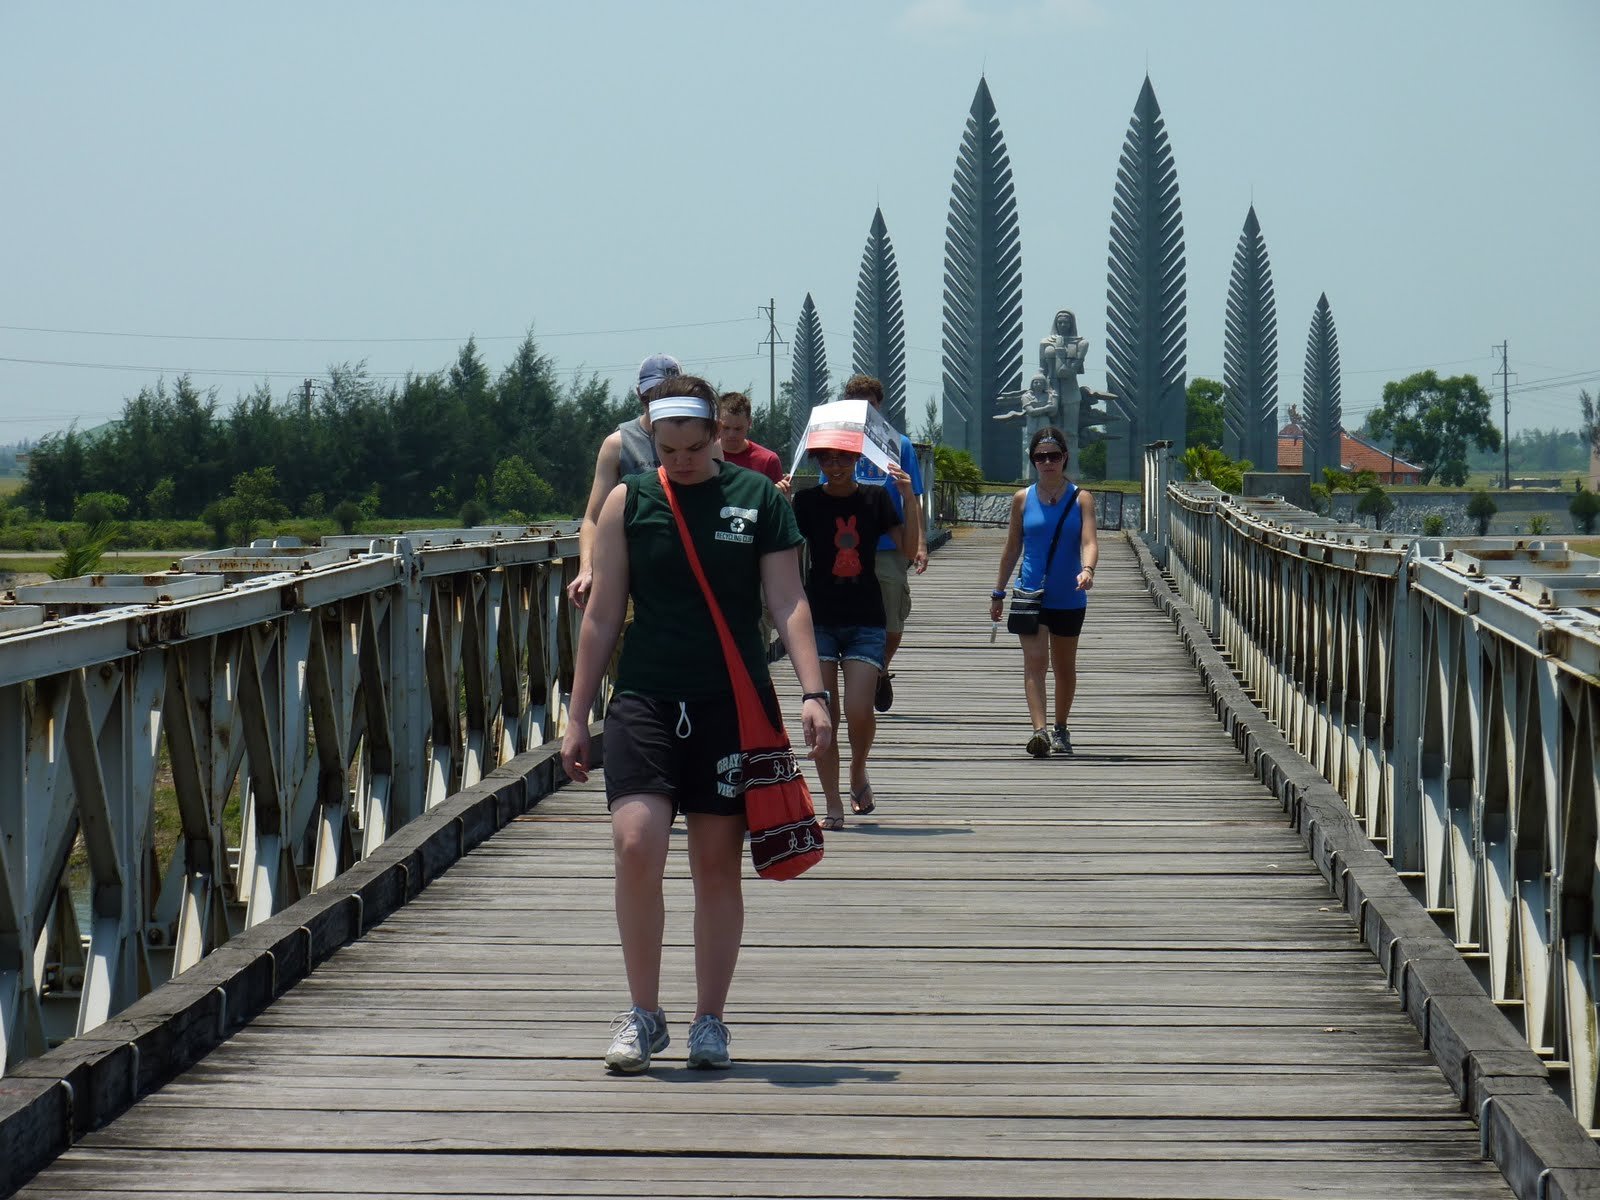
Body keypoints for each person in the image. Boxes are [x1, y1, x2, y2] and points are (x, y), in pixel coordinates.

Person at [560, 374, 833, 1075]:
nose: (679, 461)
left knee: (715, 864)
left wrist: (813, 690)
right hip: (647, 696)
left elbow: (787, 598)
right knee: (635, 842)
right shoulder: (633, 500)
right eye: (666, 447)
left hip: (728, 702)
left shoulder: (759, 503)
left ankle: (709, 1018)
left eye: (691, 446)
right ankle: (643, 1013)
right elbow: (601, 614)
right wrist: (577, 713)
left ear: (717, 434)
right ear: (651, 436)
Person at [790, 439, 911, 828]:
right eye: (828, 459)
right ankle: (832, 803)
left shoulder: (876, 499)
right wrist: (778, 501)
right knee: (824, 714)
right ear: (818, 461)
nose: (836, 466)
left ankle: (858, 771)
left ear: (858, 459)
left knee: (859, 709)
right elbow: (786, 552)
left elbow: (907, 549)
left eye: (844, 458)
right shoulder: (806, 502)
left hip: (865, 618)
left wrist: (908, 496)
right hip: (819, 618)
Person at [988, 425, 1098, 758]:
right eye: (1040, 457)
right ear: (1033, 461)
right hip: (1030, 593)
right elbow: (1011, 549)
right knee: (1035, 663)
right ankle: (1040, 731)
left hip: (1069, 594)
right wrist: (998, 592)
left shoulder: (1081, 498)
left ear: (1064, 458)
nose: (1047, 462)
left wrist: (1088, 570)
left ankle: (1061, 728)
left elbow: (1090, 541)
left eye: (1053, 456)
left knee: (1064, 667)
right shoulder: (1022, 498)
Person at [567, 353, 681, 609]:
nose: (658, 402)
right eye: (651, 395)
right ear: (639, 394)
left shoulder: (706, 445)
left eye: (669, 395)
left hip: (688, 575)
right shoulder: (618, 443)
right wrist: (587, 568)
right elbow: (593, 519)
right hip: (630, 577)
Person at [842, 374, 928, 712]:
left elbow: (914, 499)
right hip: (846, 547)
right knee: (847, 620)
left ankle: (879, 669)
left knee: (892, 623)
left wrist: (919, 543)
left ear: (880, 407)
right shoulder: (839, 445)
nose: (865, 410)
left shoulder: (901, 445)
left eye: (871, 404)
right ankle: (859, 672)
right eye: (857, 403)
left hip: (889, 548)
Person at [717, 391, 784, 485]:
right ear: (717, 424)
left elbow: (777, 498)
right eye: (726, 428)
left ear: (749, 423)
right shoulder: (704, 457)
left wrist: (784, 496)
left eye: (738, 429)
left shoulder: (768, 460)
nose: (731, 434)